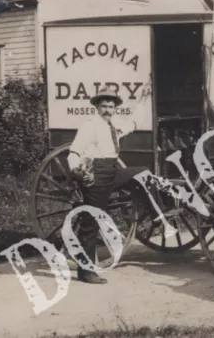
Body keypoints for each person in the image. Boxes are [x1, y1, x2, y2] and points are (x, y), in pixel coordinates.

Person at [67, 84, 152, 284]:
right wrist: (79, 173)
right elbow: (74, 152)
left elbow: (133, 122)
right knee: (91, 222)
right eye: (104, 106)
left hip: (113, 170)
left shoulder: (115, 125)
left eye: (111, 106)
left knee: (143, 173)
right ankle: (85, 271)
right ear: (97, 106)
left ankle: (155, 213)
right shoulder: (89, 126)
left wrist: (143, 99)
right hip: (96, 174)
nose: (107, 110)